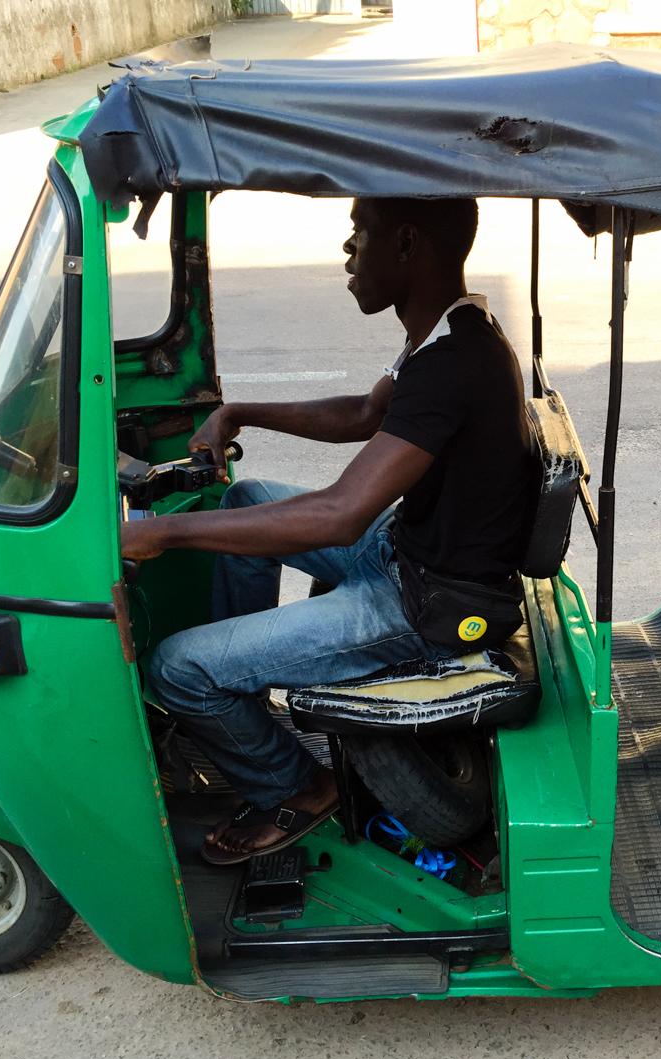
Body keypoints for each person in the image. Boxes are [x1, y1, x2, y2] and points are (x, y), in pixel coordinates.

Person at [121, 196, 534, 865]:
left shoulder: (454, 362)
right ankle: (242, 698)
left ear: (406, 244)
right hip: (403, 551)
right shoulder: (450, 330)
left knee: (177, 668)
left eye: (358, 233)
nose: (348, 250)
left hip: (427, 602)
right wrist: (240, 412)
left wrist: (164, 534)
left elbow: (341, 514)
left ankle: (299, 784)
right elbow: (364, 414)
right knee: (247, 496)